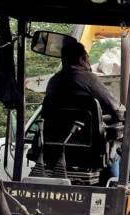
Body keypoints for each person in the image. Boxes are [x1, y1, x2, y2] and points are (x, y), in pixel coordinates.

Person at [44, 41, 124, 178]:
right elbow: (114, 107)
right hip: (90, 149)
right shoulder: (88, 78)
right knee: (116, 151)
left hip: (55, 147)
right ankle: (114, 183)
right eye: (87, 58)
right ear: (82, 59)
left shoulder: (53, 81)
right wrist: (122, 114)